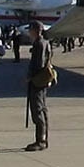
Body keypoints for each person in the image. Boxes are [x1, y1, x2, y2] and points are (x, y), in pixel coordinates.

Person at [24, 21, 53, 151]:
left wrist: (30, 77)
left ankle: (40, 140)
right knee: (42, 109)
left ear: (35, 30)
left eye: (30, 30)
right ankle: (43, 138)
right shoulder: (45, 42)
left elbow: (39, 64)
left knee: (38, 110)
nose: (29, 32)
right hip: (41, 80)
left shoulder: (39, 44)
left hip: (37, 81)